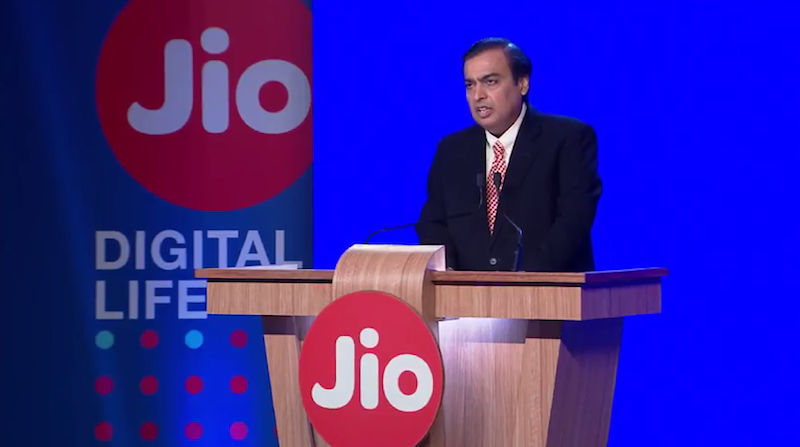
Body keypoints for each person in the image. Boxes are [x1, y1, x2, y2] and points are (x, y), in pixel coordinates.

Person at [416, 38, 602, 272]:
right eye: (470, 85)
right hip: (465, 294)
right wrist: (449, 273)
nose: (478, 95)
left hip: (547, 289)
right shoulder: (451, 150)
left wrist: (525, 280)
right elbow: (433, 224)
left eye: (490, 82)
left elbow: (573, 222)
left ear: (522, 84)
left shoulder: (567, 139)